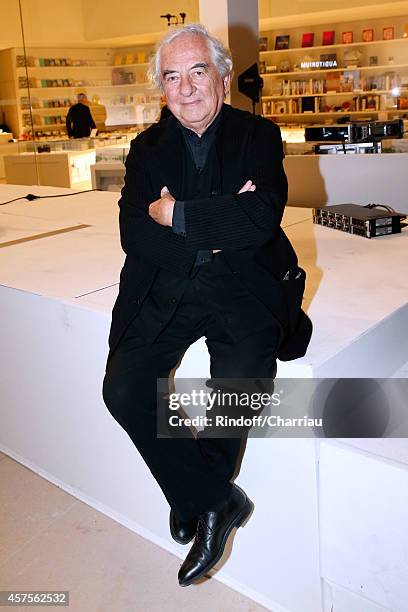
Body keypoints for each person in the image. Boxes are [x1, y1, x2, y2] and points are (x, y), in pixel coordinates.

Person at [102, 23, 312, 587]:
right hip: (167, 286)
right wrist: (220, 221)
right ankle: (214, 499)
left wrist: (176, 216)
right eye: (172, 76)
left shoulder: (259, 137)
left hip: (244, 287)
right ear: (161, 89)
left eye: (198, 71)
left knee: (239, 392)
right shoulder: (146, 148)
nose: (187, 87)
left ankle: (199, 500)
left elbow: (261, 218)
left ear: (221, 76)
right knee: (122, 388)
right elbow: (132, 232)